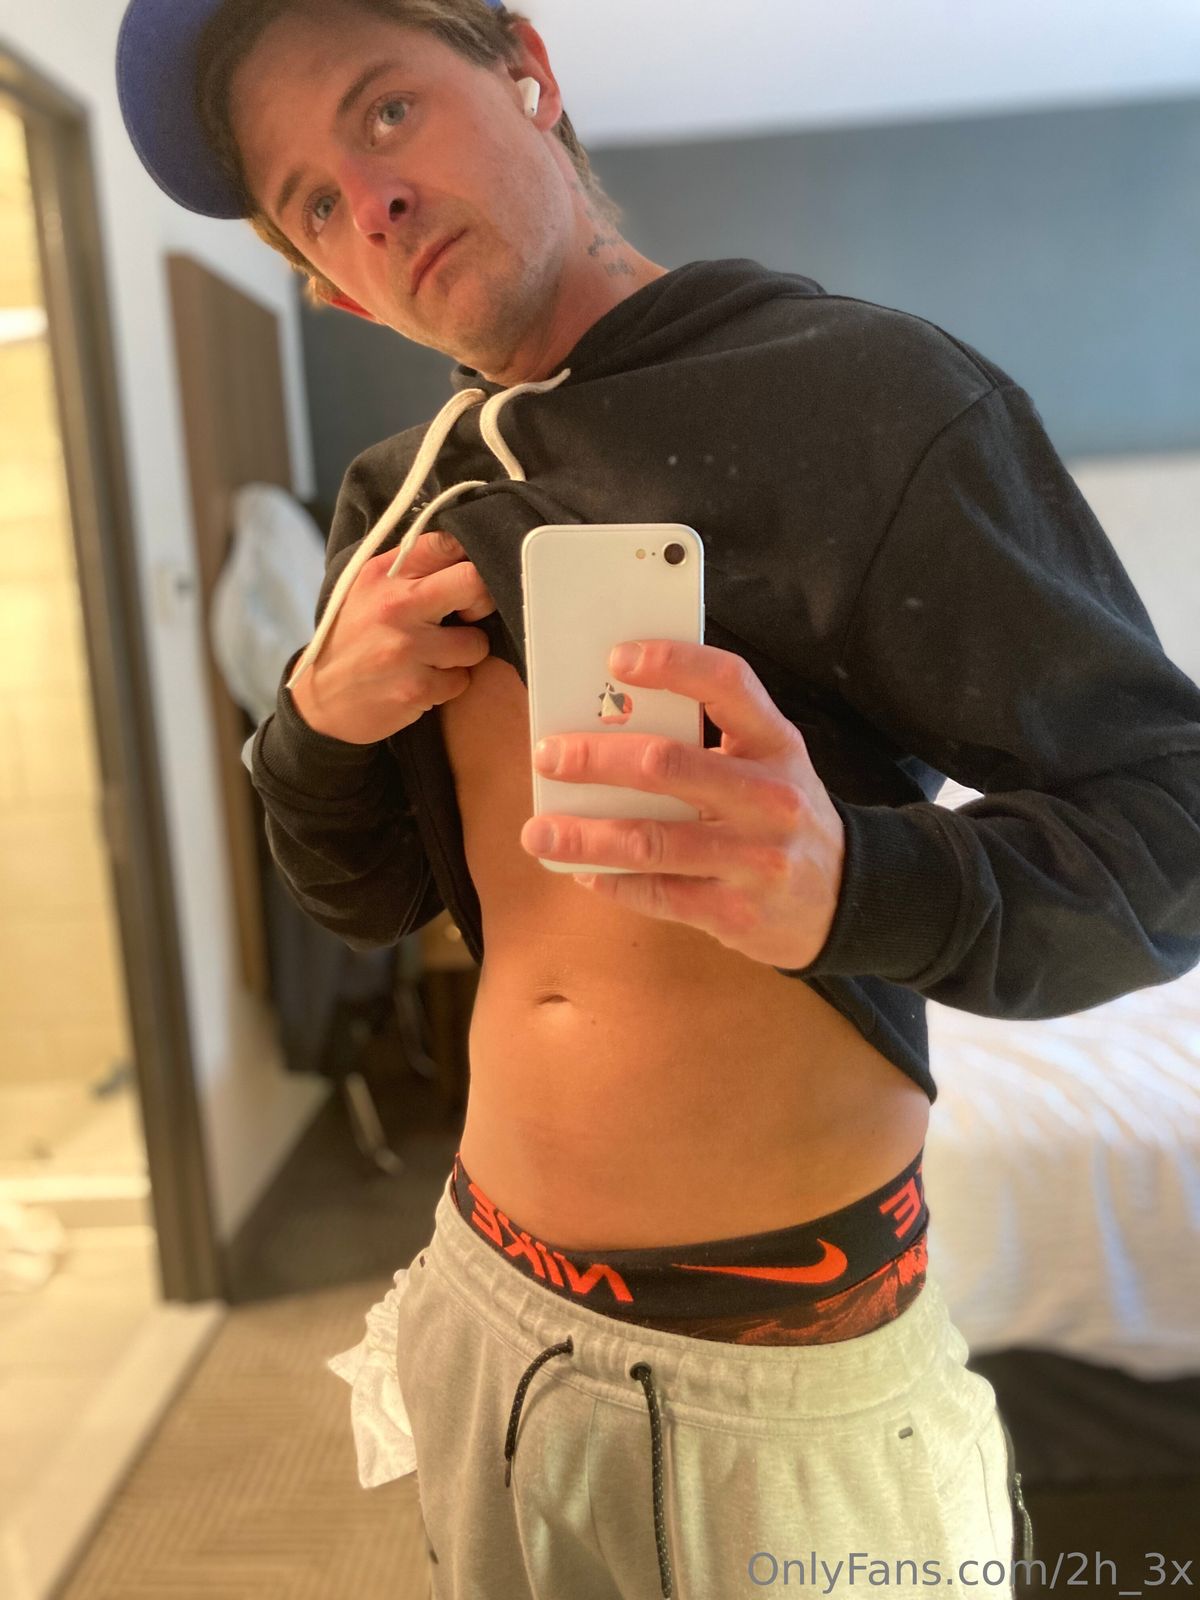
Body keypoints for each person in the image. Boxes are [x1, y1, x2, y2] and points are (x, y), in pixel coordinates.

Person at [115, 2, 1200, 1596]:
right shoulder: (391, 499)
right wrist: (315, 727)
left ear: (527, 71)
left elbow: (1170, 822)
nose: (373, 203)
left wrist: (849, 882)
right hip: (490, 1302)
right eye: (315, 205)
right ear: (327, 281)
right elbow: (361, 898)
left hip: (791, 1369)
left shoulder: (867, 398)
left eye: (387, 112)